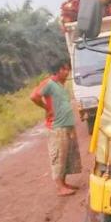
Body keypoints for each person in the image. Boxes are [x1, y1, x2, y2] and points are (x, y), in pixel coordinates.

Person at [30, 59, 82, 196]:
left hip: (66, 125)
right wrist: (46, 108)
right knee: (58, 156)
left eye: (67, 69)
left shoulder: (60, 85)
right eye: (64, 69)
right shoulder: (49, 83)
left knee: (66, 156)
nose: (67, 71)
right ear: (58, 70)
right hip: (57, 126)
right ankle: (60, 187)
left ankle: (64, 183)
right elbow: (34, 96)